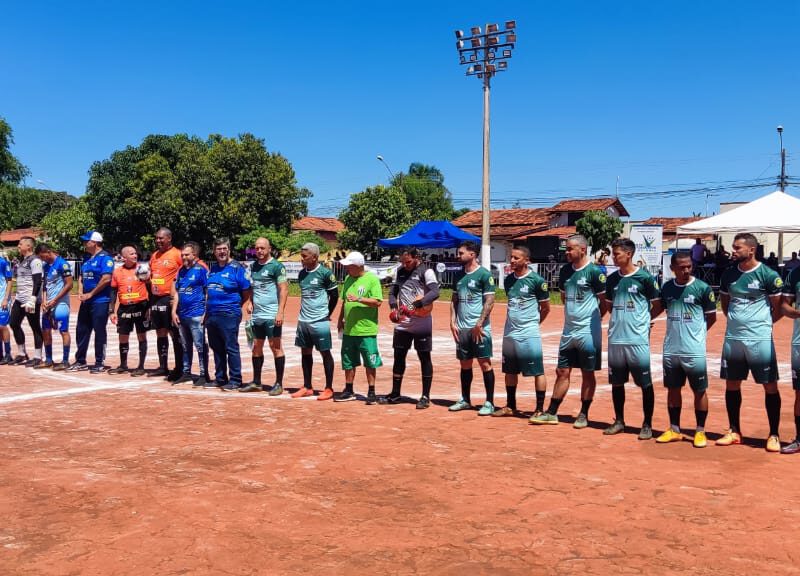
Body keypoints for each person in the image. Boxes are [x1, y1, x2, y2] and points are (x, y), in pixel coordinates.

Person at [531, 234, 607, 427]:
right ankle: (552, 412)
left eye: (570, 248)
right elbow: (564, 298)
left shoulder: (594, 272)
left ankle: (583, 413)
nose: (567, 252)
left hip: (588, 332)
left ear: (582, 249)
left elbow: (604, 302)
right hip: (569, 330)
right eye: (566, 249)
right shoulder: (565, 271)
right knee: (562, 370)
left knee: (587, 372)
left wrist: (594, 320)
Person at [717, 233, 784, 452]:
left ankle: (773, 434)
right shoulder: (728, 275)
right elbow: (725, 305)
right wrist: (738, 324)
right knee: (732, 383)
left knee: (769, 385)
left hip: (760, 339)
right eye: (733, 247)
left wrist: (761, 326)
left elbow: (778, 308)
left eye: (737, 248)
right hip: (734, 338)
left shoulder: (768, 275)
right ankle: (734, 431)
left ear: (751, 250)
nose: (733, 251)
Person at [655, 252, 717, 448]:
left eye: (689, 266)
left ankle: (700, 431)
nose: (686, 270)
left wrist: (697, 335)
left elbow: (711, 317)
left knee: (699, 390)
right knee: (673, 389)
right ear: (672, 268)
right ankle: (674, 429)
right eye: (681, 267)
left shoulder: (702, 288)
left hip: (694, 350)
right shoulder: (667, 288)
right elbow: (659, 308)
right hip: (671, 349)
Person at [603, 238, 663, 439]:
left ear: (629, 254)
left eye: (617, 253)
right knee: (617, 383)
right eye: (613, 253)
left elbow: (657, 304)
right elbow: (610, 306)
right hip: (616, 339)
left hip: (637, 339)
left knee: (645, 383)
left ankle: (647, 424)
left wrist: (644, 320)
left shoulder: (645, 278)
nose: (614, 256)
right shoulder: (612, 280)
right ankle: (619, 420)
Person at [380, 247, 440, 409]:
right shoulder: (400, 272)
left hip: (422, 321)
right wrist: (393, 307)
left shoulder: (426, 271)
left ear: (416, 257)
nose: (405, 264)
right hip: (403, 323)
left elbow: (435, 292)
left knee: (424, 358)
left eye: (408, 261)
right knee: (399, 357)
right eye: (402, 261)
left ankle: (425, 396)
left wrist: (417, 305)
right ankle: (395, 393)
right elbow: (393, 293)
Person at [494, 246, 550, 417]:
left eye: (516, 258)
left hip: (528, 333)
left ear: (527, 261)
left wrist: (533, 324)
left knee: (537, 371)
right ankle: (511, 405)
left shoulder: (537, 281)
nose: (512, 261)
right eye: (511, 257)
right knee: (509, 370)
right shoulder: (509, 280)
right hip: (510, 332)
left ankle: (539, 409)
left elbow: (546, 308)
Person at [449, 240, 497, 415]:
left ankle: (489, 402)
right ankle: (465, 399)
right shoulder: (458, 276)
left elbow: (490, 301)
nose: (458, 255)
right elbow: (454, 300)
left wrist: (479, 323)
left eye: (461, 253)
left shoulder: (484, 275)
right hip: (462, 328)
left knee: (485, 364)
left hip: (479, 329)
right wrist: (452, 322)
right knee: (465, 365)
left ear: (473, 254)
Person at [239, 237, 288, 394]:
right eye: (257, 248)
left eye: (262, 248)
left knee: (276, 347)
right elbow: (254, 287)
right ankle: (257, 382)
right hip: (257, 315)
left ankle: (279, 384)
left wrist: (280, 312)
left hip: (272, 314)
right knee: (256, 348)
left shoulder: (276, 266)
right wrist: (251, 302)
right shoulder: (253, 267)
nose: (259, 251)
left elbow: (284, 289)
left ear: (269, 249)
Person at [291, 242, 338, 400]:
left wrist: (327, 314)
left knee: (325, 353)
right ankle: (307, 386)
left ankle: (329, 388)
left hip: (320, 321)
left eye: (305, 256)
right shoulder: (301, 274)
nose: (302, 259)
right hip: (303, 320)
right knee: (305, 352)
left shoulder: (325, 273)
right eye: (301, 256)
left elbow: (335, 296)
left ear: (315, 257)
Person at [335, 251, 383, 403]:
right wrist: (340, 319)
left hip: (366, 329)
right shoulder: (349, 279)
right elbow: (344, 301)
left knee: (370, 360)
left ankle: (372, 391)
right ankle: (348, 389)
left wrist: (359, 299)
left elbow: (377, 302)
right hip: (349, 329)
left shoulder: (372, 280)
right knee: (348, 360)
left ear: (358, 265)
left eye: (349, 266)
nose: (347, 268)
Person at [205, 237, 252, 390]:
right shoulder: (213, 269)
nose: (222, 252)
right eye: (219, 249)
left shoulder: (237, 268)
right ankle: (220, 378)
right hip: (212, 314)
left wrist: (236, 306)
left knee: (230, 347)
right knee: (216, 347)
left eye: (224, 248)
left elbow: (246, 291)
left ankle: (235, 379)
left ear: (229, 250)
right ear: (214, 251)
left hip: (229, 314)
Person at [72, 231, 114, 373]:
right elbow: (81, 277)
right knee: (82, 329)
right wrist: (80, 292)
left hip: (100, 301)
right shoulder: (86, 258)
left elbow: (106, 278)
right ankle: (80, 360)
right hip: (87, 300)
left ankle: (99, 361)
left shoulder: (105, 258)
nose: (84, 244)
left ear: (94, 242)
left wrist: (91, 293)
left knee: (99, 330)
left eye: (86, 241)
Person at [171, 241, 210, 386]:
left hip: (197, 314)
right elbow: (177, 292)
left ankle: (203, 374)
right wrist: (174, 311)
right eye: (182, 255)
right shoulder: (181, 270)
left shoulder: (201, 270)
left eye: (187, 254)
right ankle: (186, 372)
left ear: (194, 255)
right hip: (183, 314)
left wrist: (206, 311)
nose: (184, 257)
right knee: (185, 346)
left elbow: (207, 291)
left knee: (200, 346)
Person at [106, 245, 150, 376]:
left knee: (141, 335)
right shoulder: (117, 272)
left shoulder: (142, 269)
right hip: (124, 307)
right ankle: (123, 365)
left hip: (140, 306)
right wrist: (111, 311)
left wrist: (149, 308)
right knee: (123, 336)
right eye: (131, 254)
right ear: (124, 257)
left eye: (135, 253)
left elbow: (150, 288)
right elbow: (113, 292)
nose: (135, 256)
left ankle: (141, 366)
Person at [148, 227, 184, 381]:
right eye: (156, 238)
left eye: (161, 238)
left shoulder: (177, 254)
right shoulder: (154, 255)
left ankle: (180, 367)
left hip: (170, 299)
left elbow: (186, 271)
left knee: (174, 333)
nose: (158, 241)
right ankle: (163, 366)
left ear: (169, 238)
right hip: (155, 298)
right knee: (160, 332)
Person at [37, 244, 73, 370]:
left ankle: (65, 360)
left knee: (63, 331)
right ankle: (48, 359)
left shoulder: (62, 264)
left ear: (48, 252)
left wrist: (55, 300)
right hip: (49, 304)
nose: (43, 259)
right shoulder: (45, 266)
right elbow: (45, 286)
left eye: (43, 257)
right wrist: (44, 300)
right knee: (46, 331)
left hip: (61, 303)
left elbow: (69, 285)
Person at [9, 236, 44, 366]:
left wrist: (33, 298)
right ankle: (22, 353)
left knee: (34, 326)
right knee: (13, 323)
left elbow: (38, 280)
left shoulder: (35, 261)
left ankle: (38, 356)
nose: (18, 246)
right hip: (19, 298)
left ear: (29, 246)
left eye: (20, 244)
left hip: (30, 299)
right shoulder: (22, 261)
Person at [780, 264, 800, 454]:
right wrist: (795, 313)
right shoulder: (795, 274)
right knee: (799, 393)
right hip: (799, 343)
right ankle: (799, 439)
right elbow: (784, 305)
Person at [0, 251, 14, 364]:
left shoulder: (2, 262)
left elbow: (9, 281)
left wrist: (6, 298)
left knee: (2, 326)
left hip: (2, 299)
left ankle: (8, 354)